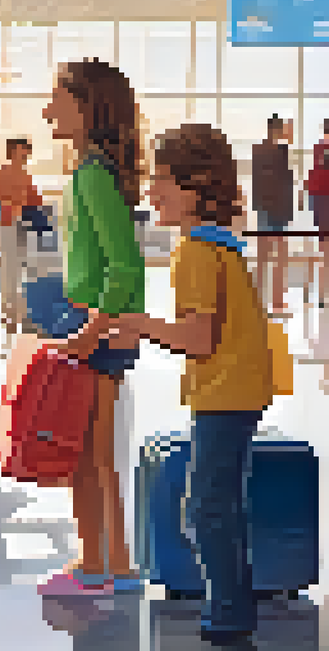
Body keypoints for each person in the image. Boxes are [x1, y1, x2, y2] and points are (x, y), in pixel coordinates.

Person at [113, 124, 276, 643]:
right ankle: (231, 610)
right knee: (216, 503)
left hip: (225, 392)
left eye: (163, 179)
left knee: (208, 507)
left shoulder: (194, 252)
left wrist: (139, 324)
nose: (151, 191)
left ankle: (228, 617)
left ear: (197, 187)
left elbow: (199, 338)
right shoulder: (220, 245)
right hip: (241, 387)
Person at [34, 59, 147, 596]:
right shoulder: (88, 174)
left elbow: (124, 266)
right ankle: (94, 560)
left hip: (100, 330)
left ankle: (116, 566)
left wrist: (93, 329)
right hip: (92, 322)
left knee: (95, 455)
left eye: (57, 96)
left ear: (88, 108)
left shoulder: (94, 177)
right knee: (84, 455)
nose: (47, 108)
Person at [0, 138, 43, 332]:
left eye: (27, 151)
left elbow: (33, 198)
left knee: (24, 266)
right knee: (10, 269)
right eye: (23, 150)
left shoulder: (25, 174)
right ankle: (9, 312)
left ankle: (20, 311)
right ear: (13, 151)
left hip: (23, 222)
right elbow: (3, 197)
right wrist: (21, 199)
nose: (26, 154)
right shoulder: (4, 171)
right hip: (8, 223)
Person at [251, 114, 294, 314]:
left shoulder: (257, 150)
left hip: (264, 207)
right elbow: (285, 183)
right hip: (277, 209)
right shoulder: (282, 151)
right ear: (278, 130)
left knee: (263, 256)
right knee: (279, 257)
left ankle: (259, 300)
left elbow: (257, 181)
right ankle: (277, 302)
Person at [305, 118, 329, 307]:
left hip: (318, 200)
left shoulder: (318, 148)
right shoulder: (323, 149)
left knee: (323, 250)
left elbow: (312, 177)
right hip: (325, 199)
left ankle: (320, 293)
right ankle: (321, 294)